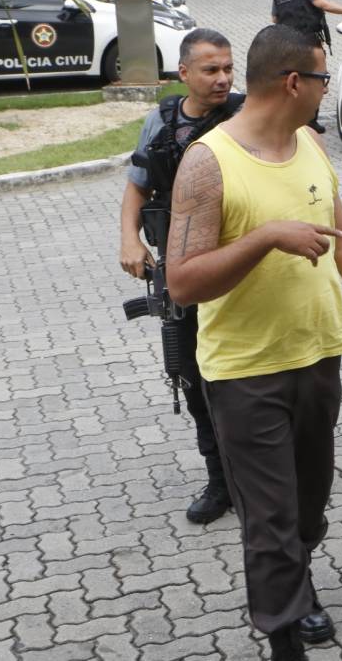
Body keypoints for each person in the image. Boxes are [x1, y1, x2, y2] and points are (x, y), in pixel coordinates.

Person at [166, 25, 342, 661]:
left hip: (317, 357)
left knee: (307, 512)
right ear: (293, 83)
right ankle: (285, 639)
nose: (325, 90)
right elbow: (180, 283)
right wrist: (263, 238)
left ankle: (297, 578)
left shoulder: (311, 142)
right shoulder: (208, 161)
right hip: (244, 373)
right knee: (273, 522)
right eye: (322, 80)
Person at [119, 28, 242, 526]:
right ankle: (220, 480)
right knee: (193, 377)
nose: (223, 79)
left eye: (229, 69)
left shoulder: (243, 116)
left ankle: (257, 473)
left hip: (237, 269)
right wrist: (130, 239)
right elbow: (137, 185)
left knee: (243, 375)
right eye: (211, 70)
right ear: (183, 73)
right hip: (181, 271)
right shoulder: (163, 120)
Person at [271, 0, 342, 132]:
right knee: (315, 78)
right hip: (308, 40)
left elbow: (274, 18)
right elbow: (320, 3)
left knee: (293, 80)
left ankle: (291, 119)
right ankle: (310, 121)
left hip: (287, 41)